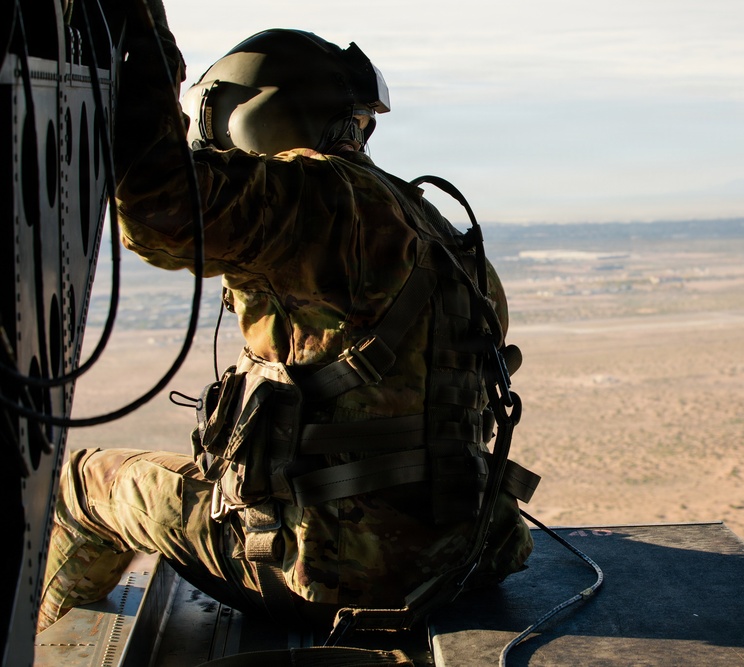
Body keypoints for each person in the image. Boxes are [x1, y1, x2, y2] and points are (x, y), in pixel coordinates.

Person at [38, 3, 534, 633]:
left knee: (81, 486)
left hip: (336, 570)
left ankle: (42, 643)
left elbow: (158, 206)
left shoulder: (314, 197)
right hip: (463, 554)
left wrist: (149, 44)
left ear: (247, 117)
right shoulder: (436, 226)